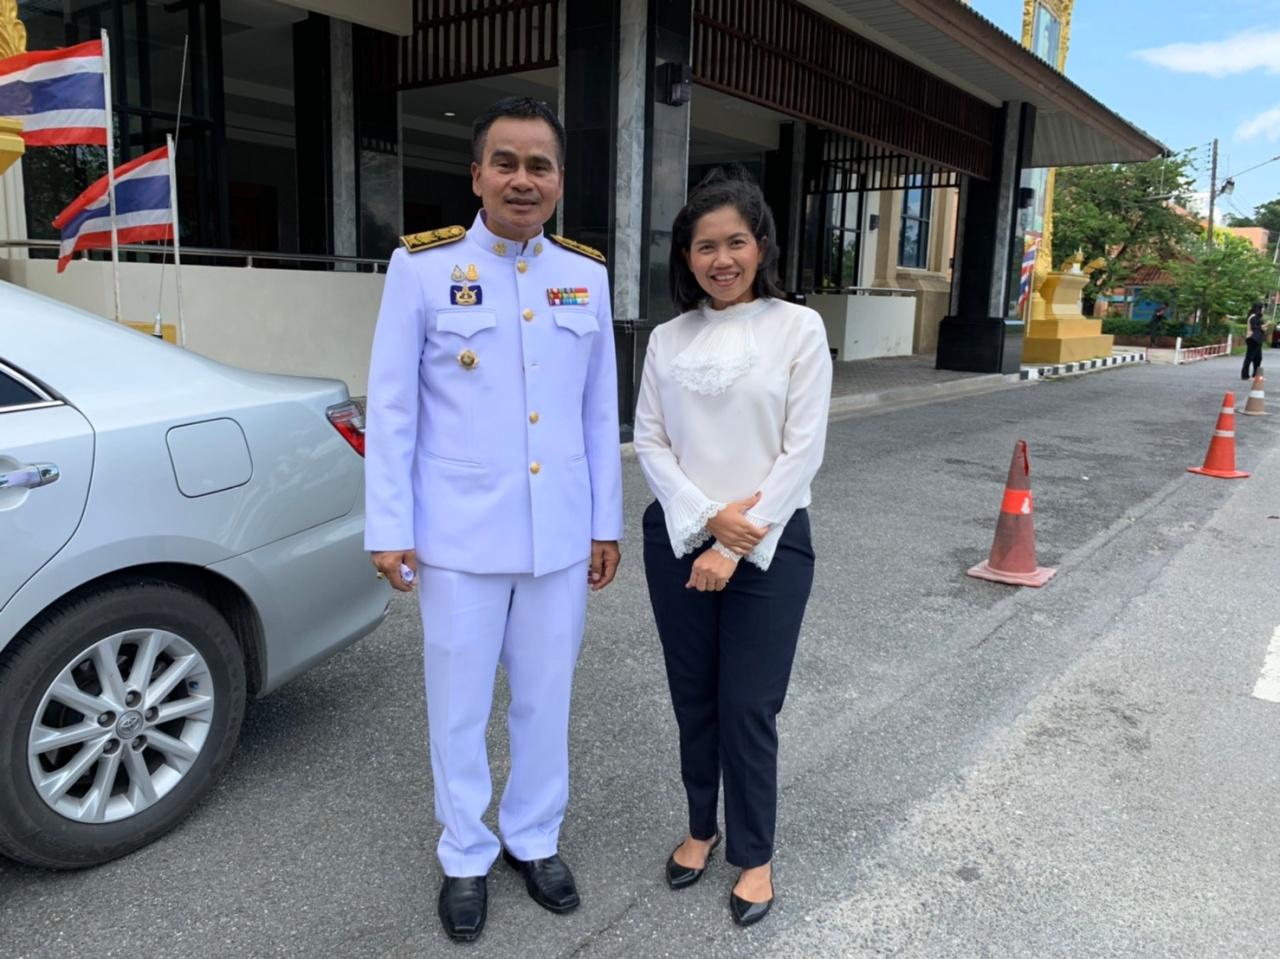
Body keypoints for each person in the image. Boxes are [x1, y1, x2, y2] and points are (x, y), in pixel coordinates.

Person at [363, 97, 623, 944]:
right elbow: (392, 408)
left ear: (559, 180)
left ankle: (534, 836)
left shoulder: (585, 275)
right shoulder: (422, 267)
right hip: (459, 537)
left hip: (559, 534)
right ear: (476, 175)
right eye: (505, 162)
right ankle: (465, 851)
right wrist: (388, 526)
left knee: (546, 699)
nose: (522, 179)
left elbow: (597, 413)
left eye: (539, 165)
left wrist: (605, 524)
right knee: (459, 705)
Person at [634, 168, 832, 928]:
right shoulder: (667, 338)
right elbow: (650, 441)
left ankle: (755, 853)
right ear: (686, 256)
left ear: (762, 245)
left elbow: (802, 449)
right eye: (705, 246)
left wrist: (736, 541)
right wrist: (707, 520)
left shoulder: (798, 328)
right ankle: (701, 825)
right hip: (679, 537)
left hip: (771, 544)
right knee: (693, 696)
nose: (722, 259)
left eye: (736, 242)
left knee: (748, 704)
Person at [1243, 301, 1266, 380]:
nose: (1263, 309)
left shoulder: (1257, 317)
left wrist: (1263, 327)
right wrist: (1262, 327)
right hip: (1252, 339)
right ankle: (1245, 375)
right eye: (1263, 308)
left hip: (1257, 339)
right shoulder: (1253, 317)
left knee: (1258, 358)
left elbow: (1259, 327)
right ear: (1259, 308)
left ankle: (1255, 375)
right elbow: (1254, 327)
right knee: (1249, 357)